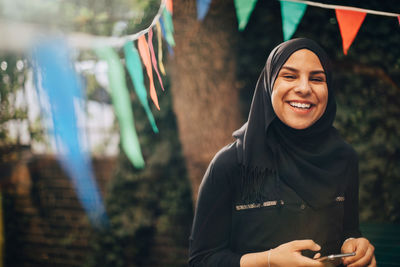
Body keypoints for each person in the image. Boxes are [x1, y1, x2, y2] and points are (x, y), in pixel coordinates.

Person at [188, 38, 376, 267]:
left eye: (317, 79)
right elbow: (202, 260)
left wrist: (355, 245)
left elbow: (348, 230)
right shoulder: (232, 163)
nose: (304, 88)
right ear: (269, 84)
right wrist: (268, 261)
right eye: (289, 76)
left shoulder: (344, 158)